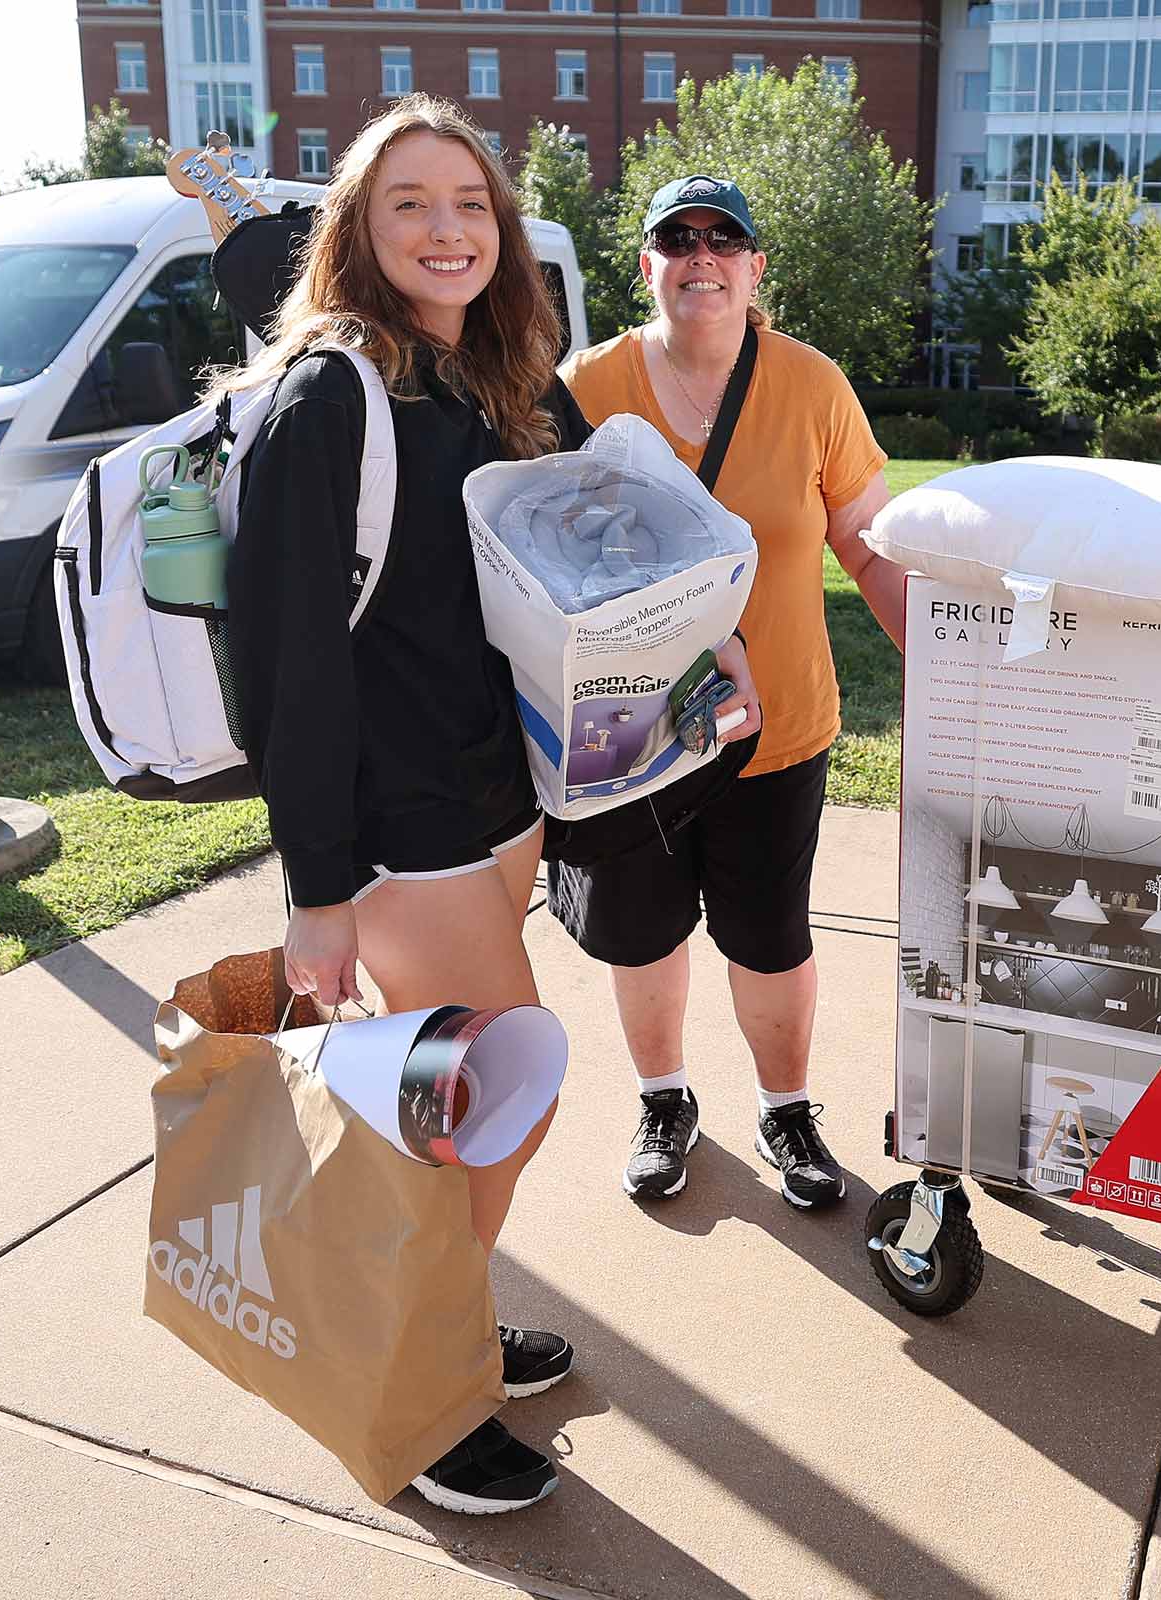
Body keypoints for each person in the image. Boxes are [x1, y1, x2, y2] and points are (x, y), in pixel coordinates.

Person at [220, 95, 600, 1516]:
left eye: (470, 205)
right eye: (410, 205)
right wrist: (318, 884)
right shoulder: (333, 394)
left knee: (444, 1108)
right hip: (396, 824)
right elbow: (290, 664)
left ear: (502, 232)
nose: (446, 230)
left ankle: (443, 1326)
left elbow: (588, 549)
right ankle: (418, 1389)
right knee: (497, 1096)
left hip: (495, 803)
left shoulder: (496, 383)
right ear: (358, 234)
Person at [555, 174, 906, 1210]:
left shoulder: (812, 387)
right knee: (644, 929)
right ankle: (664, 1101)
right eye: (677, 238)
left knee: (768, 934)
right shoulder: (586, 387)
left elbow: (869, 546)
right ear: (647, 265)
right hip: (631, 729)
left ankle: (788, 1108)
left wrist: (942, 670)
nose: (700, 256)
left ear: (756, 268)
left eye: (724, 240)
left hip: (778, 728)